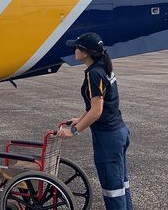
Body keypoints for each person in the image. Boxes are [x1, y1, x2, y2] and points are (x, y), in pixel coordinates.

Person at [57, 32, 133, 210]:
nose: (74, 49)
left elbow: (97, 112)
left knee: (112, 190)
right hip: (119, 132)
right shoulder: (103, 67)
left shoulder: (94, 74)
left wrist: (73, 131)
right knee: (122, 184)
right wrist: (80, 119)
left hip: (108, 138)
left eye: (77, 47)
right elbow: (95, 106)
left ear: (85, 53)